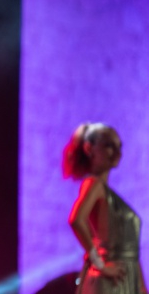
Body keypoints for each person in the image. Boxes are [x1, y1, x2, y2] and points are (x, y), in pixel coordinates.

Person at [63, 122, 147, 294]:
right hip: (109, 282)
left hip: (125, 280)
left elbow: (130, 249)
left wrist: (141, 287)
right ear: (89, 148)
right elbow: (76, 219)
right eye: (109, 145)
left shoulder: (106, 192)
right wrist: (100, 264)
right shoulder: (93, 184)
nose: (117, 152)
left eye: (119, 146)